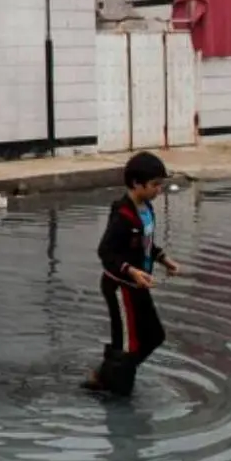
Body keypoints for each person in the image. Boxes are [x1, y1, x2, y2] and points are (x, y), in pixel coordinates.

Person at [83, 151, 181, 397]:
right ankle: (115, 394)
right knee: (128, 345)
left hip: (138, 285)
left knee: (154, 335)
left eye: (160, 184)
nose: (159, 190)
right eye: (155, 185)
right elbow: (106, 251)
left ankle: (108, 377)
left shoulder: (146, 209)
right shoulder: (122, 215)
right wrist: (130, 270)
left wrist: (163, 259)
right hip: (120, 287)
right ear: (137, 184)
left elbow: (145, 244)